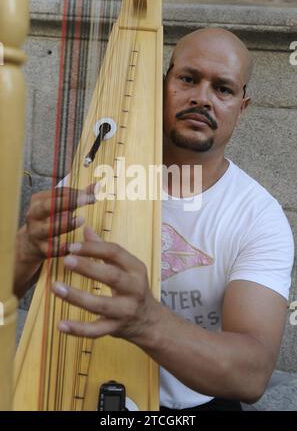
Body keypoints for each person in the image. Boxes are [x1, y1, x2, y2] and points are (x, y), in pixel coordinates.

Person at [14, 28, 294, 411]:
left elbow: (252, 373)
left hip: (191, 407)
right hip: (77, 388)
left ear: (241, 108)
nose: (202, 97)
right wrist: (29, 244)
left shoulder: (258, 216)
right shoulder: (97, 180)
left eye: (223, 89)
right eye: (188, 79)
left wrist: (147, 321)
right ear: (161, 85)